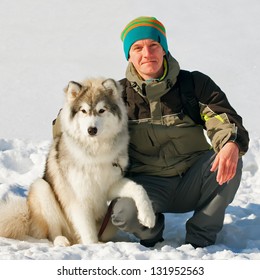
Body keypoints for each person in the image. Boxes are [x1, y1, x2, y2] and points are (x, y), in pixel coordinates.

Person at [109, 16, 249, 248]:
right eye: (138, 48)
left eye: (154, 45)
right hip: (147, 186)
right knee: (123, 214)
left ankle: (201, 237)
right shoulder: (116, 95)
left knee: (230, 156)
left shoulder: (193, 84)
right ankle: (150, 231)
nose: (147, 53)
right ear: (129, 55)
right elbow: (79, 122)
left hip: (193, 179)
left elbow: (223, 119)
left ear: (163, 49)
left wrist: (230, 143)